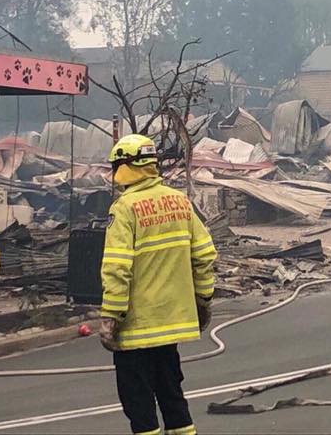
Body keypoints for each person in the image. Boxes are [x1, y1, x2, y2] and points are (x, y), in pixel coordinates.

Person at [100, 134, 217, 435]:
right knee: (172, 396)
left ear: (125, 165)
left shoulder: (124, 208)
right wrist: (203, 299)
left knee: (139, 405)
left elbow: (117, 268)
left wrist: (111, 317)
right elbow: (204, 255)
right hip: (172, 324)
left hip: (137, 327)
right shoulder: (180, 201)